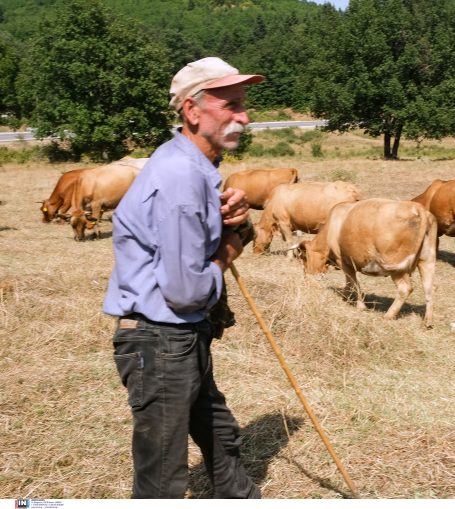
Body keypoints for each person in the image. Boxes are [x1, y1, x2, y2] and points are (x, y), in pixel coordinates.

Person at [103, 57, 264, 498]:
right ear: (193, 111)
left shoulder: (194, 169)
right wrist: (230, 249)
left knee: (219, 434)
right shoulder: (180, 176)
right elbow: (185, 290)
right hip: (163, 341)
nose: (244, 117)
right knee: (161, 478)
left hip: (182, 337)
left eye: (243, 105)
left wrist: (228, 219)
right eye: (230, 105)